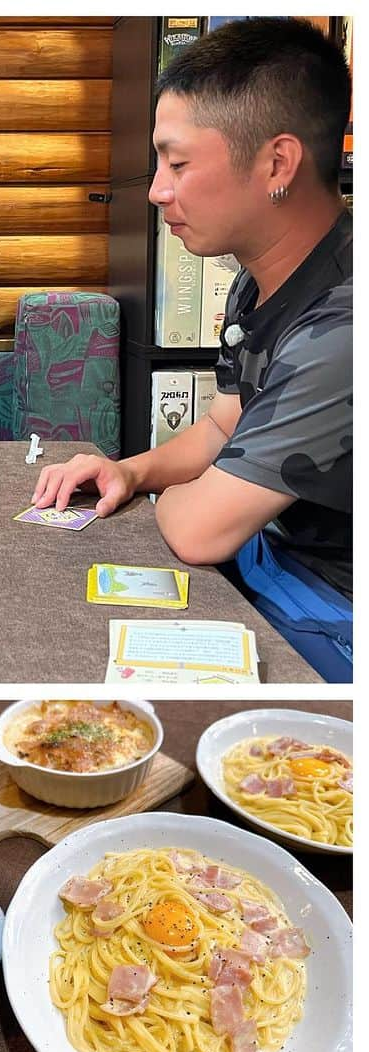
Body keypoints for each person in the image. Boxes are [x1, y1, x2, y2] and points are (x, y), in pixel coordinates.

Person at [32, 18, 352, 681]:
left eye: (177, 163)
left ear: (277, 164)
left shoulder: (345, 328)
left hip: (334, 607)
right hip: (274, 562)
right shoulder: (258, 279)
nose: (156, 189)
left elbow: (198, 530)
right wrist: (132, 471)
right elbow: (220, 424)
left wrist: (178, 498)